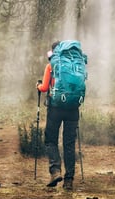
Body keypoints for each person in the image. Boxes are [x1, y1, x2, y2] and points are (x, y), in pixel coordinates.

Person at [36, 41, 79, 190]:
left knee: (50, 140)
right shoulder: (75, 65)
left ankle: (55, 172)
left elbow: (44, 88)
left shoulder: (51, 65)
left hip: (55, 109)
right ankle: (69, 181)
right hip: (73, 109)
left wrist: (38, 85)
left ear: (54, 52)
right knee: (69, 144)